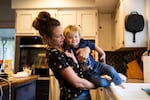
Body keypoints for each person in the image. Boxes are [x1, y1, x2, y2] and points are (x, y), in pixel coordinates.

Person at [32, 11, 97, 100]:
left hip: (84, 93)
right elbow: (77, 83)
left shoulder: (63, 46)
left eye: (63, 34)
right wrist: (98, 84)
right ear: (47, 38)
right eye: (59, 36)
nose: (63, 38)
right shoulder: (54, 54)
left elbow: (83, 44)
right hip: (74, 97)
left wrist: (87, 49)